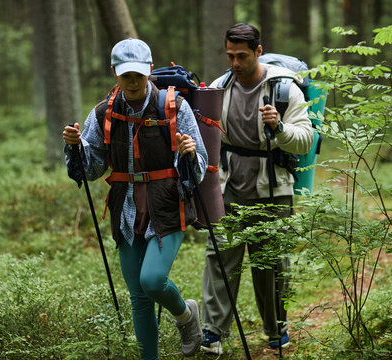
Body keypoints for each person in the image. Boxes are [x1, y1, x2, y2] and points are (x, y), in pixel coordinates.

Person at [63, 38, 208, 360]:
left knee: (153, 281)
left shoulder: (174, 107)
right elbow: (92, 168)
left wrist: (188, 153)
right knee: (138, 298)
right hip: (125, 205)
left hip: (168, 203)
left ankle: (186, 316)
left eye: (138, 75)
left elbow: (198, 166)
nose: (132, 82)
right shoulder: (103, 113)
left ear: (150, 72)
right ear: (114, 72)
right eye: (125, 74)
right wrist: (75, 146)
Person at [200, 23, 313, 355]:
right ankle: (212, 332)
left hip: (273, 191)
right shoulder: (220, 88)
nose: (235, 63)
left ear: (258, 52)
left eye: (242, 56)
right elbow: (208, 138)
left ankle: (276, 328)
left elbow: (305, 141)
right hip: (230, 188)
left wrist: (278, 127)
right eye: (230, 56)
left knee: (271, 265)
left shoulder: (284, 90)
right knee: (220, 258)